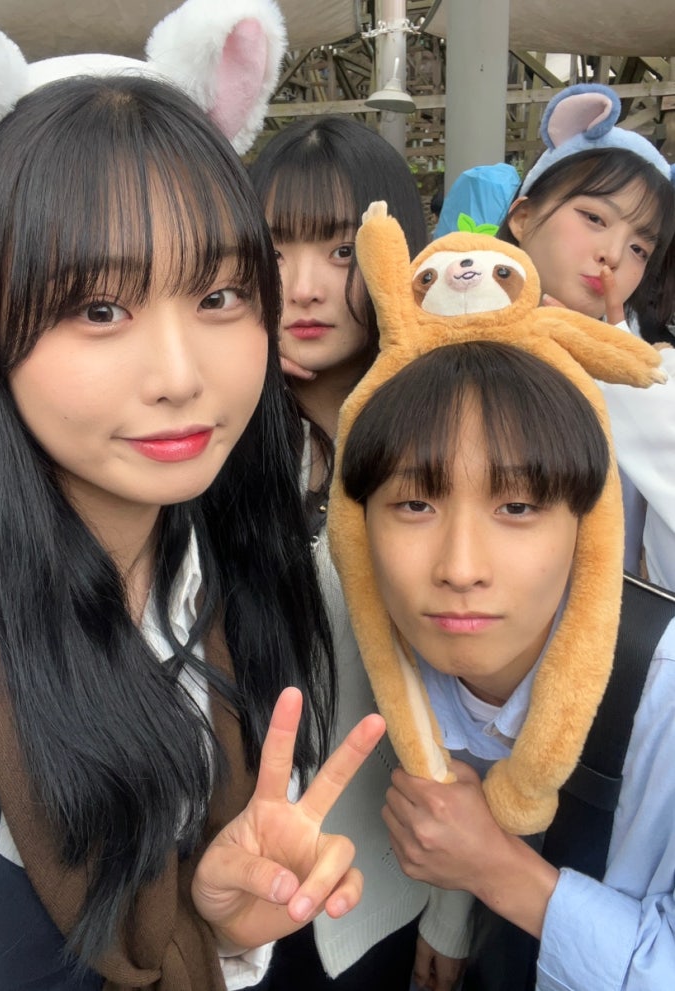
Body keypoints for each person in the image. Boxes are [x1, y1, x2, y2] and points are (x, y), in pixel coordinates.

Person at [0, 72, 390, 991]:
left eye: (219, 296)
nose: (180, 375)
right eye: (99, 310)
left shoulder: (212, 563)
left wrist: (219, 922)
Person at [339, 339, 675, 990]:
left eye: (516, 506)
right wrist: (451, 916)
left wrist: (494, 869)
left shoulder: (662, 692)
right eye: (415, 504)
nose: (461, 568)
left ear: (587, 525)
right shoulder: (379, 655)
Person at [249, 119, 464, 988]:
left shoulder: (446, 447)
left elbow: (474, 701)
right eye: (274, 251)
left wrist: (453, 907)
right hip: (230, 883)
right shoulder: (208, 445)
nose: (302, 288)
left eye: (340, 251)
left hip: (380, 888)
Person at [497, 82, 675, 590]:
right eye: (594, 218)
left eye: (639, 249)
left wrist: (626, 383)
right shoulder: (439, 330)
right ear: (523, 216)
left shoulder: (649, 377)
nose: (613, 254)